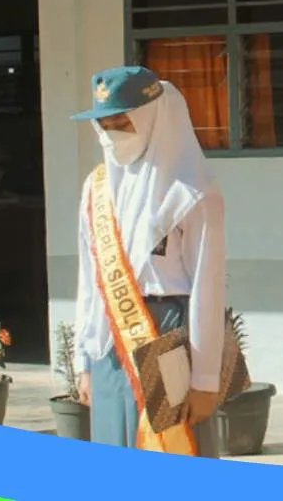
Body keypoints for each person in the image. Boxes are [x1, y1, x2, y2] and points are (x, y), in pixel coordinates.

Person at [69, 66, 226, 457]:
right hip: (110, 344)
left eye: (123, 122)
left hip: (168, 336)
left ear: (154, 118)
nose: (112, 133)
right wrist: (84, 362)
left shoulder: (192, 192)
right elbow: (89, 280)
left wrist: (205, 379)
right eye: (104, 124)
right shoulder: (97, 187)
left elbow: (208, 288)